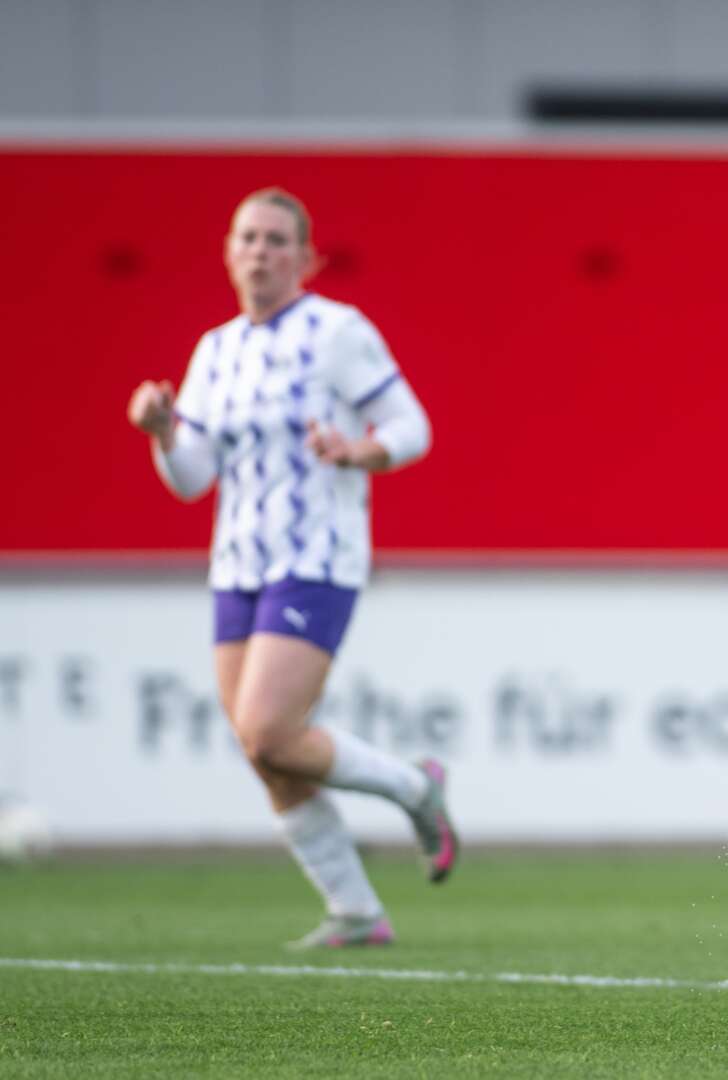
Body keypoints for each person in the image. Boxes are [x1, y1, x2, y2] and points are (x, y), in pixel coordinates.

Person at [125, 187, 456, 949]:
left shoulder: (335, 332)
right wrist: (162, 432)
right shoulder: (216, 350)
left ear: (307, 259)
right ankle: (357, 912)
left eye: (279, 240)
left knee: (269, 727)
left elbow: (413, 425)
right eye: (248, 238)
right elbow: (191, 477)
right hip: (238, 563)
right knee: (261, 746)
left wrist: (361, 450)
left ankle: (414, 787)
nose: (261, 252)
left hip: (317, 557)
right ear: (227, 252)